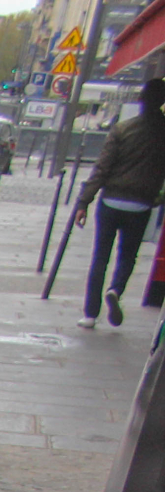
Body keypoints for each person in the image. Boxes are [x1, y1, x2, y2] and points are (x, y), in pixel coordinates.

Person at [72, 77, 164, 329]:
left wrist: (84, 202)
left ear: (140, 101)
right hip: (141, 205)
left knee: (100, 257)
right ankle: (116, 289)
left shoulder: (121, 129)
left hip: (111, 201)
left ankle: (90, 314)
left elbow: (102, 169)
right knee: (127, 254)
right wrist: (158, 197)